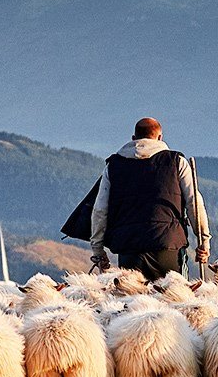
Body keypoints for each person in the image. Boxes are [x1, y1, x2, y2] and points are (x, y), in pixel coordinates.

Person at [89, 117, 210, 279]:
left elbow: (100, 210)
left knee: (133, 301)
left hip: (129, 248)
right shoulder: (176, 162)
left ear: (133, 139)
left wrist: (98, 249)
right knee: (174, 300)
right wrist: (204, 242)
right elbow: (194, 204)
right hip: (168, 246)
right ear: (160, 137)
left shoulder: (114, 166)